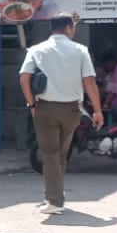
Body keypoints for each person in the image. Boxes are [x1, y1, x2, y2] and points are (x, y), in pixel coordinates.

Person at [20, 15, 104, 215]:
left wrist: (31, 104)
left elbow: (24, 78)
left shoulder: (37, 49)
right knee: (60, 154)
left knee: (50, 154)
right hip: (72, 110)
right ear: (68, 27)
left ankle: (54, 201)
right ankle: (55, 193)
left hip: (45, 108)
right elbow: (89, 82)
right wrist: (97, 110)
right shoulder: (80, 50)